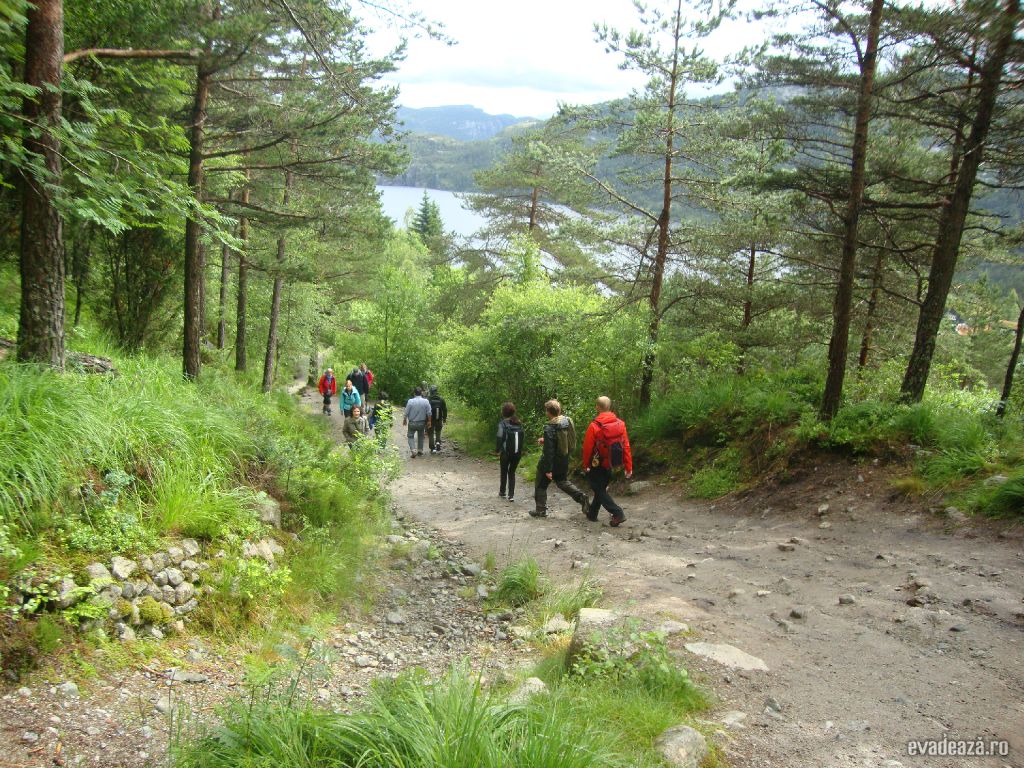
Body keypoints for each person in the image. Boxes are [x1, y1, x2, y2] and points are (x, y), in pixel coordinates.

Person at [581, 396, 633, 527]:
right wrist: (628, 466)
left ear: (597, 407)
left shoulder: (594, 426)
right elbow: (626, 446)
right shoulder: (620, 424)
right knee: (601, 487)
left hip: (597, 463)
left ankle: (617, 513)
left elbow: (587, 448)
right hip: (613, 462)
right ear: (609, 407)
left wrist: (586, 464)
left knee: (597, 487)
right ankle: (592, 513)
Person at [532, 399, 589, 519]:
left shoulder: (550, 427)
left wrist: (548, 469)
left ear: (548, 412)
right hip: (563, 458)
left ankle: (540, 510)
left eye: (546, 411)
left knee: (540, 484)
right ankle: (581, 497)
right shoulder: (566, 421)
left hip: (551, 461)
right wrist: (545, 439)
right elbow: (562, 441)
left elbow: (549, 451)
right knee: (562, 481)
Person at [495, 401, 524, 501]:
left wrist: (497, 450)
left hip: (506, 453)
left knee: (504, 471)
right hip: (517, 453)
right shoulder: (519, 423)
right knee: (512, 472)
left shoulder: (502, 424)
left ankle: (502, 492)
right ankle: (511, 495)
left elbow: (499, 437)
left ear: (503, 412)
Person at [403, 387, 432, 458]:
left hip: (412, 422)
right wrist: (429, 421)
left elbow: (406, 412)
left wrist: (405, 419)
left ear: (414, 393)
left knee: (410, 436)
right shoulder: (426, 401)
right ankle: (420, 450)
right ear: (421, 393)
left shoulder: (410, 401)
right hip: (422, 423)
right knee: (421, 436)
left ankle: (413, 450)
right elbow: (429, 413)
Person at [427, 385, 448, 454]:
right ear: (436, 391)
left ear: (431, 391)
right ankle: (438, 443)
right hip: (439, 419)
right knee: (438, 432)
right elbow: (445, 410)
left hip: (430, 419)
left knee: (431, 433)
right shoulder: (441, 399)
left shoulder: (428, 399)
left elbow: (426, 410)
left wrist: (426, 420)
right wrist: (444, 418)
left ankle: (432, 448)